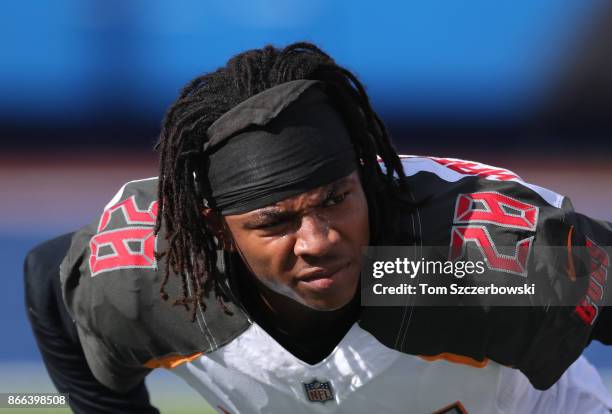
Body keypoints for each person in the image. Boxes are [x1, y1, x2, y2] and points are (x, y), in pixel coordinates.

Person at [25, 42, 612, 413]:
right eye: (274, 222)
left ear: (365, 176)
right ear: (216, 229)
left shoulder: (453, 264)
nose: (319, 241)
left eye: (334, 200)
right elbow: (48, 279)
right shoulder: (157, 278)